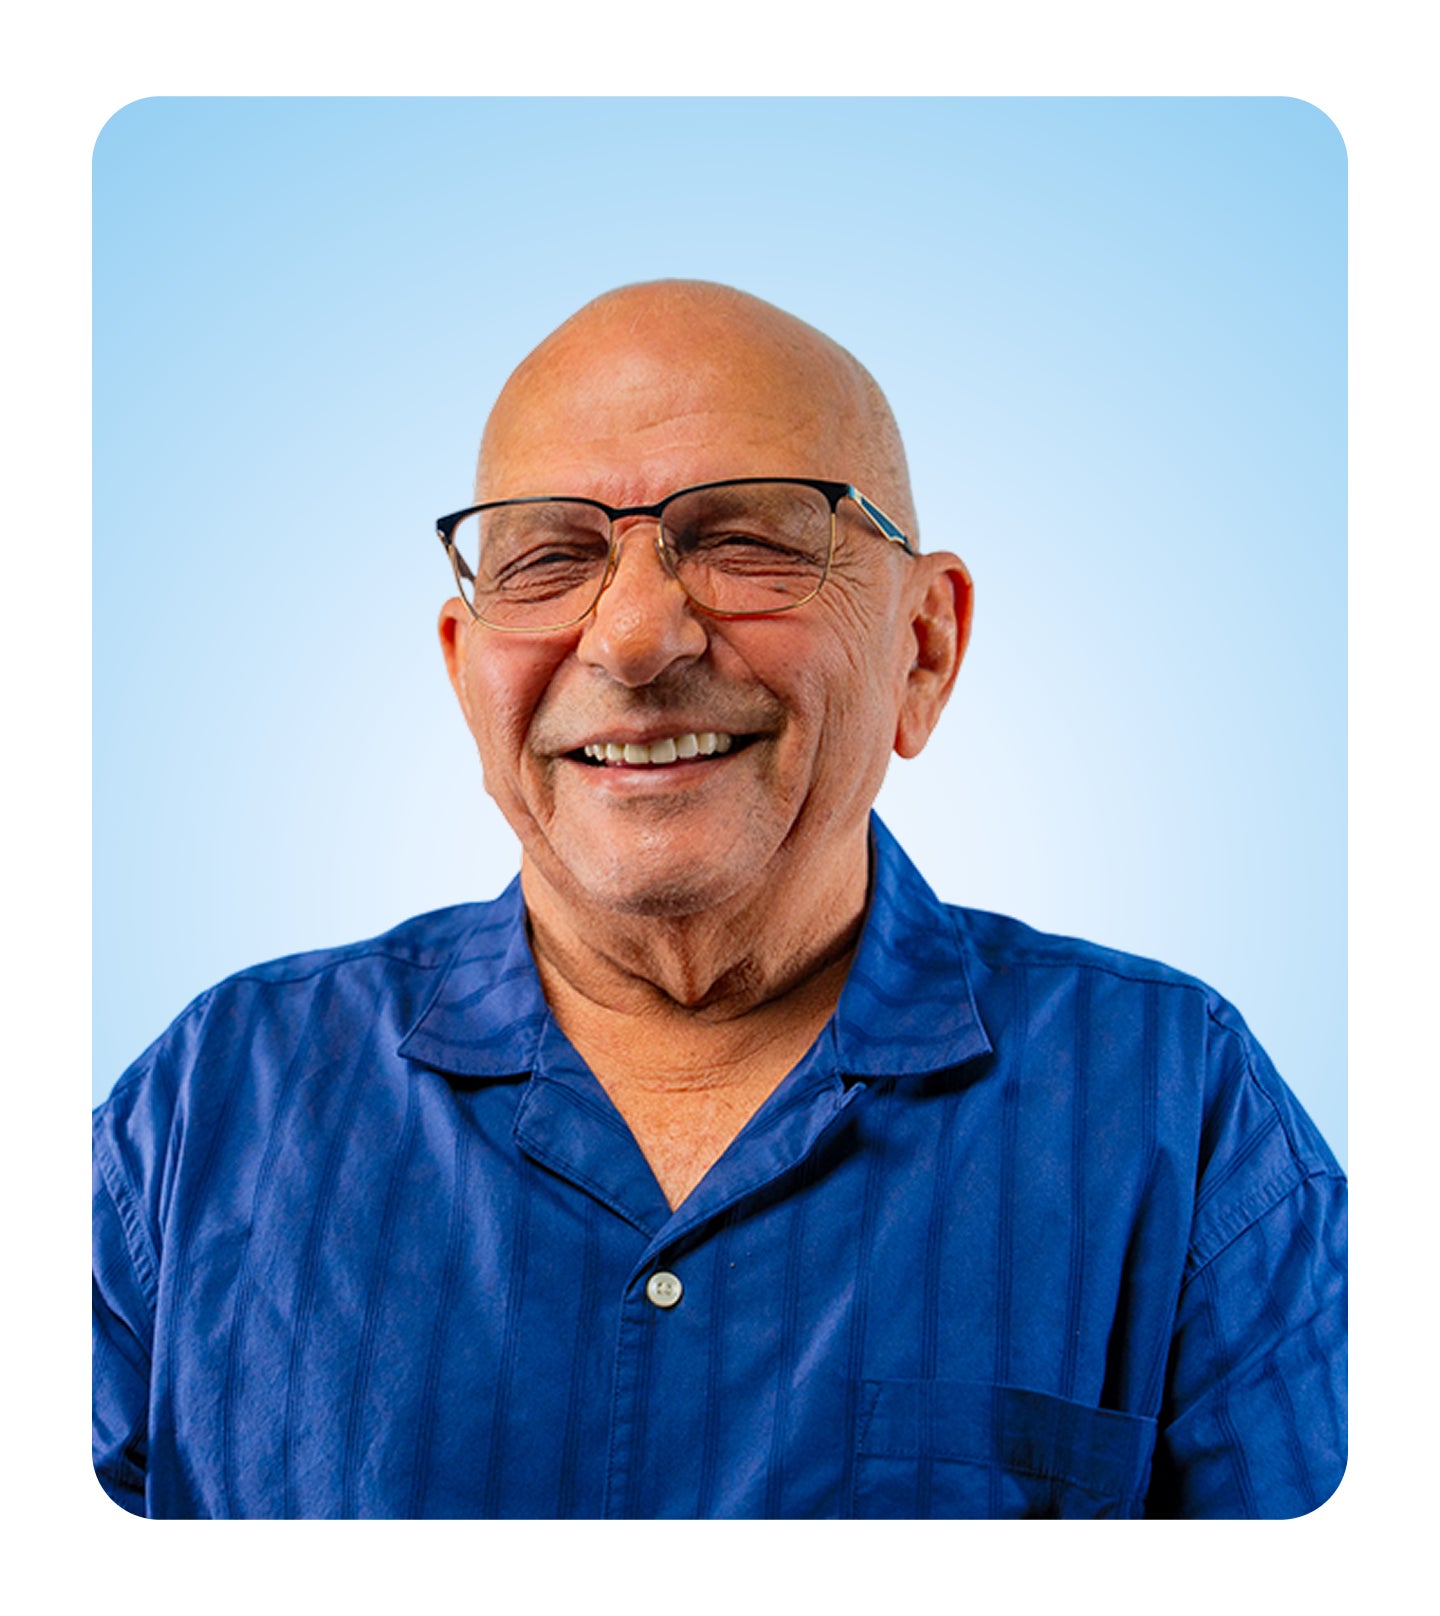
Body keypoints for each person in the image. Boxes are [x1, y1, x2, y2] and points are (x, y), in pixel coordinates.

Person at [92, 279, 1346, 1519]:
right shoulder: (207, 1108)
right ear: (464, 672)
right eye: (548, 558)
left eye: (746, 539)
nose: (635, 637)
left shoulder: (1181, 1108)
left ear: (924, 647)